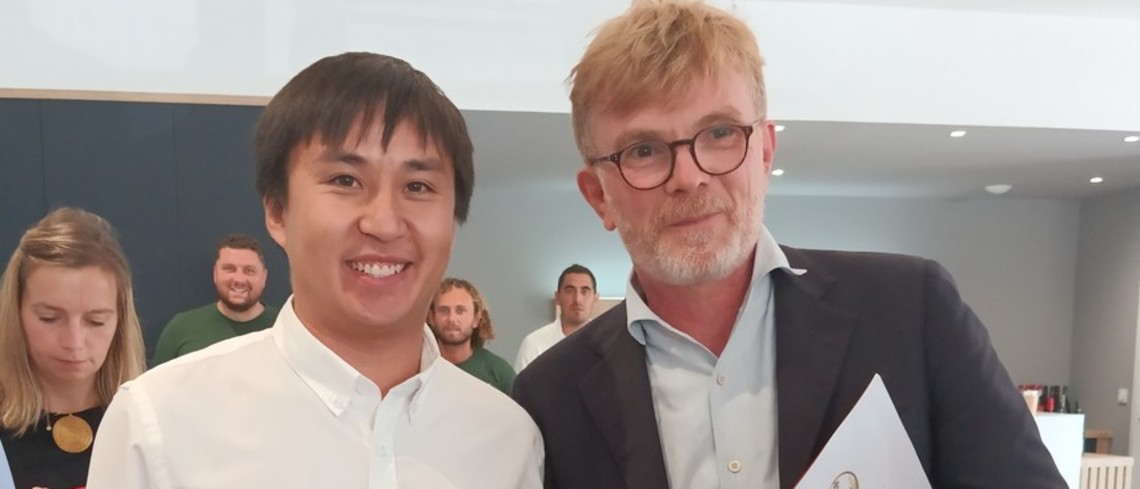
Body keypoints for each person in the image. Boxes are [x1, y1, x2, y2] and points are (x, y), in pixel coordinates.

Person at [510, 2, 1066, 488]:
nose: (690, 176)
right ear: (598, 195)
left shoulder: (911, 312)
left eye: (721, 133)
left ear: (766, 152)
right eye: (644, 150)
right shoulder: (549, 398)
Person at [86, 52, 543, 488]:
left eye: (418, 185)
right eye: (345, 180)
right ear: (278, 211)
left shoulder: (507, 439)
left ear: (453, 220)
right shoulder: (159, 424)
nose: (383, 223)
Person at [0, 207, 147, 489]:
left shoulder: (149, 421)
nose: (74, 342)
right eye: (50, 318)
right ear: (16, 314)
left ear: (120, 320)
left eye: (95, 321)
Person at [151, 234, 278, 365]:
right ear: (215, 274)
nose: (239, 279)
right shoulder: (182, 328)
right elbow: (155, 385)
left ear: (264, 277)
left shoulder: (284, 325)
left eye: (249, 271)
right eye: (229, 269)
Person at [428, 277, 516, 393]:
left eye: (460, 311)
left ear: (476, 318)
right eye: (444, 310)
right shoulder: (418, 370)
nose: (452, 319)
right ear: (431, 317)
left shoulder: (499, 373)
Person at [514, 264, 598, 371]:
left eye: (585, 291)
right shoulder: (534, 344)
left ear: (595, 298)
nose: (577, 299)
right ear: (557, 297)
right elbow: (521, 387)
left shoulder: (608, 345)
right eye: (569, 290)